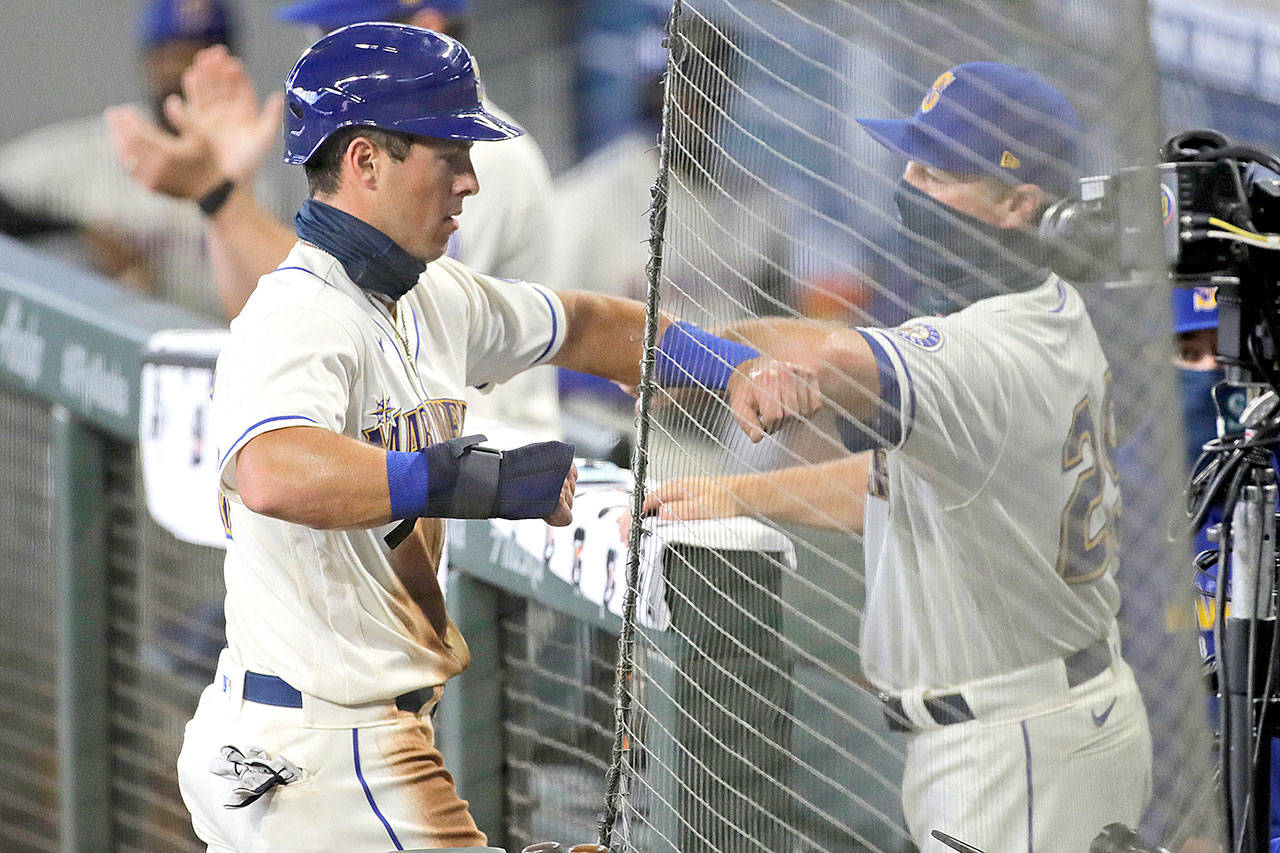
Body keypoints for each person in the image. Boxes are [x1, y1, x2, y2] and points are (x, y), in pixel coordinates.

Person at [174, 23, 816, 852]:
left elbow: (583, 322)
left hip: (315, 740)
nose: (472, 181)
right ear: (366, 161)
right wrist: (463, 479)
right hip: (324, 755)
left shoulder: (430, 295)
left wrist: (727, 365)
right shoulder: (302, 313)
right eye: (450, 156)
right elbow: (270, 470)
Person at [643, 61, 1153, 852]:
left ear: (1019, 203)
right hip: (1031, 724)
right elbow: (896, 484)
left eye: (939, 174)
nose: (908, 187)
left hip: (1015, 750)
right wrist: (741, 496)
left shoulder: (987, 349)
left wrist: (694, 349)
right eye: (908, 164)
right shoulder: (1047, 310)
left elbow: (830, 361)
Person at [107, 0, 563, 438]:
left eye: (345, 36)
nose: (324, 55)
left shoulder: (473, 161)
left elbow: (377, 317)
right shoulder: (372, 154)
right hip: (422, 464)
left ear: (429, 28)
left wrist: (220, 195)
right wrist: (225, 195)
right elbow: (277, 318)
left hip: (497, 479)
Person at [0, 0, 238, 318]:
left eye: (197, 58)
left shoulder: (254, 171)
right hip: (104, 354)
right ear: (150, 61)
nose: (181, 72)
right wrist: (78, 232)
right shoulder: (97, 148)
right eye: (171, 56)